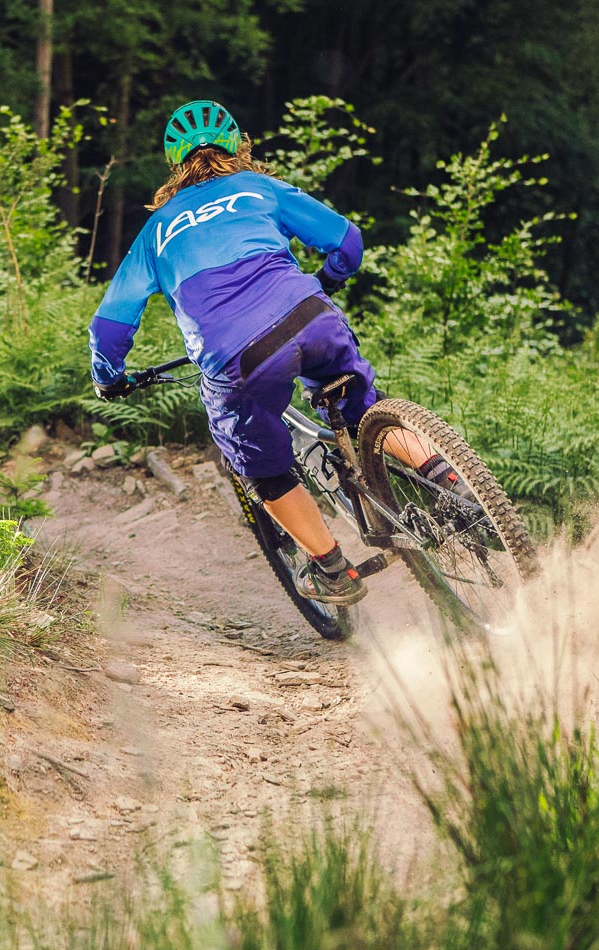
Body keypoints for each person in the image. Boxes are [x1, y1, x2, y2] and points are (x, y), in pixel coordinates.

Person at [88, 100, 466, 606]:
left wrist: (109, 377)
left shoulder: (156, 231)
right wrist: (324, 285)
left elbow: (109, 325)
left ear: (175, 164)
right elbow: (347, 242)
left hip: (237, 357)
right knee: (362, 410)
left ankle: (333, 569)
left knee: (262, 467)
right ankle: (457, 486)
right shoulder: (258, 188)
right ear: (238, 146)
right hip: (311, 316)